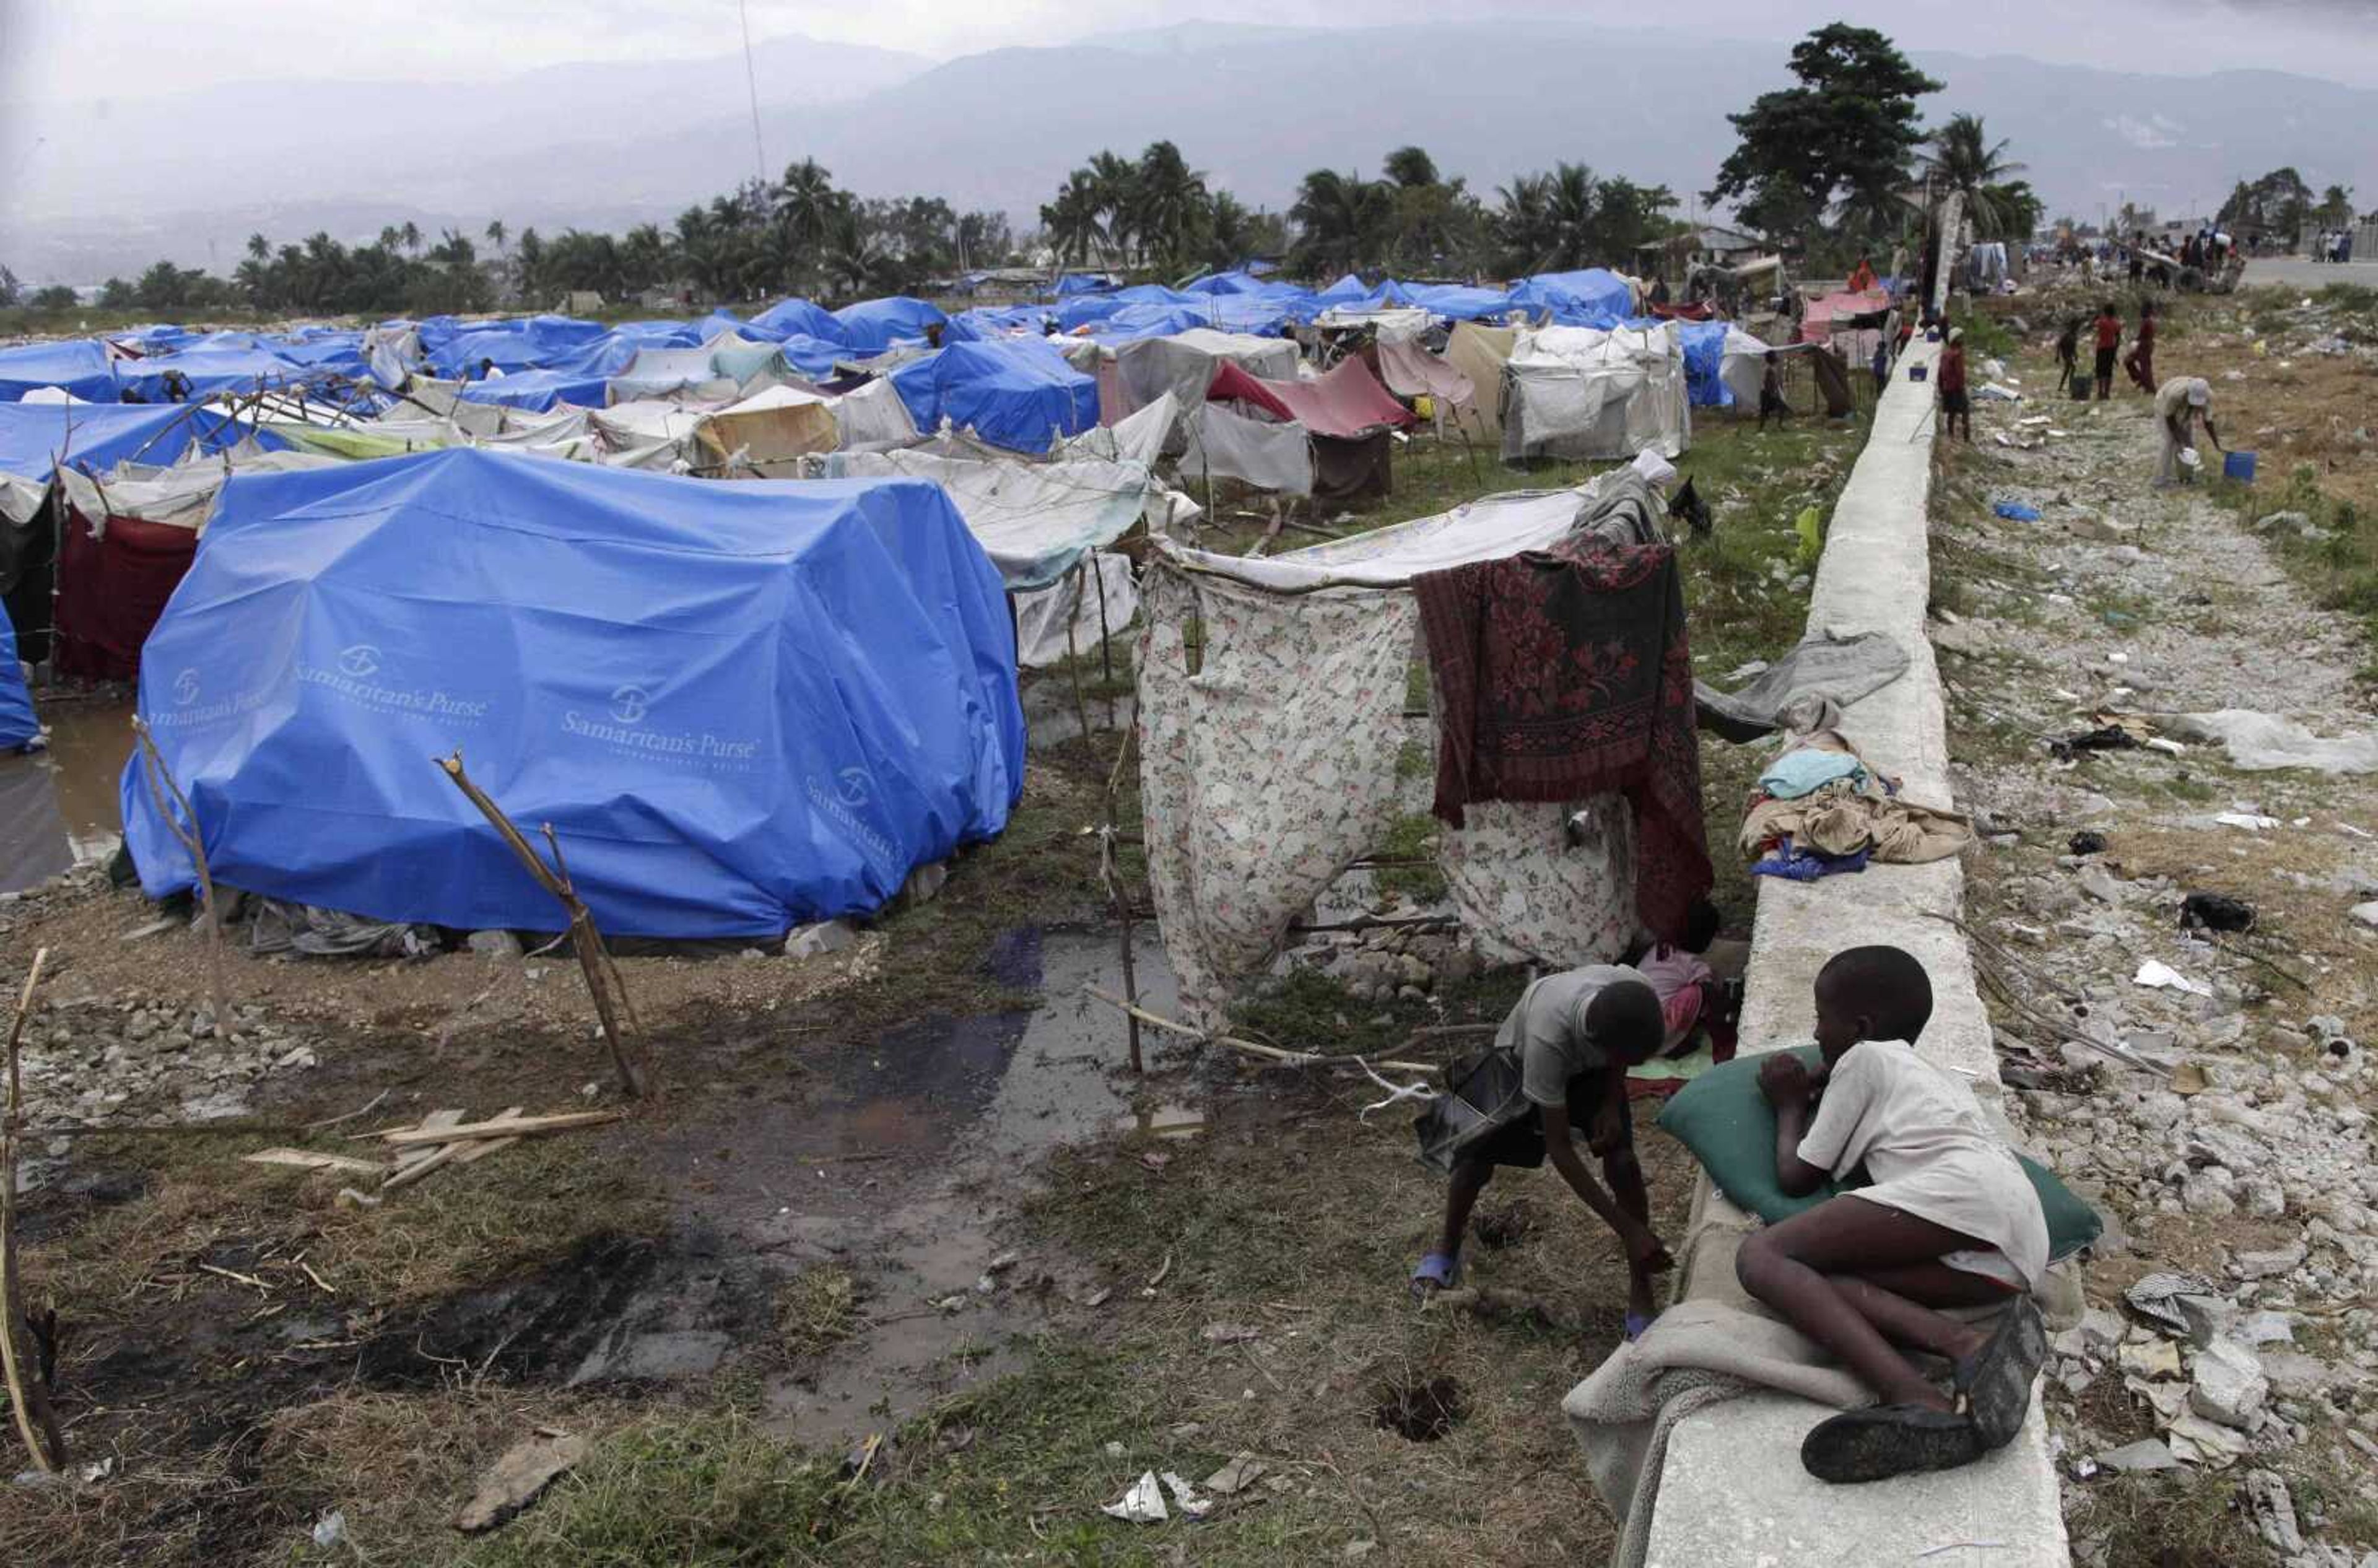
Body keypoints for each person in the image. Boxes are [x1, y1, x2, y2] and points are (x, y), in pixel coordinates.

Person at [1735, 946, 2050, 1484]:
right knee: (1813, 1279)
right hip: (2013, 1248)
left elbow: (1798, 1175)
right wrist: (1822, 1083)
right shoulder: (1931, 1075)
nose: (1815, 1035)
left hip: (1967, 1198)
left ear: (1860, 1027)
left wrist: (1787, 1103)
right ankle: (1968, 1348)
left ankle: (1912, 1394)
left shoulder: (1866, 1058)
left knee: (1763, 1256)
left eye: (1820, 1020)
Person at [1411, 965, 1672, 1336]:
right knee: (1475, 1162)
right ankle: (1446, 1250)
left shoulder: (1634, 991)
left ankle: (1641, 1292)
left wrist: (1611, 1103)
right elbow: (1560, 1150)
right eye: (1628, 1058)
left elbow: (1622, 1060)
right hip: (1518, 1064)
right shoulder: (1548, 1039)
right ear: (1601, 1047)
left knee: (1624, 1163)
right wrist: (1626, 1228)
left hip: (1595, 1062)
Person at [2154, 376, 2223, 487]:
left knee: (2189, 443)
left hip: (2183, 407)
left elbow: (2208, 422)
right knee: (2170, 442)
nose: (2197, 405)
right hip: (2164, 402)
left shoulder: (2208, 396)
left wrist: (2216, 444)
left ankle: (2186, 477)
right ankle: (2160, 479)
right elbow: (2169, 417)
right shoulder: (2176, 395)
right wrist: (2178, 437)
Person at [1936, 327, 1971, 442]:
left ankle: (1951, 436)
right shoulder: (1957, 355)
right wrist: (1961, 388)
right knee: (1965, 411)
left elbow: (1940, 373)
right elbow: (1959, 373)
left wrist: (1942, 389)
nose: (1963, 340)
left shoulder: (1945, 354)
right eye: (1961, 338)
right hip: (1957, 388)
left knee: (1951, 413)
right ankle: (1967, 438)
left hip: (1947, 389)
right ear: (1956, 340)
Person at [2123, 298, 2158, 393]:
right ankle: (2142, 381)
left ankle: (2150, 388)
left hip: (2144, 346)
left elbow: (2144, 335)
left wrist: (2135, 340)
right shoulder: (2148, 320)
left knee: (2145, 368)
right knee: (2129, 361)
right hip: (2144, 346)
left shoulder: (2148, 321)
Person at [2091, 301, 2122, 400]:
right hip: (2111, 348)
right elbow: (2118, 338)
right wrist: (2116, 351)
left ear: (2105, 312)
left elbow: (2094, 324)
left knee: (2100, 371)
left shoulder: (2101, 322)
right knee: (2108, 371)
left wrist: (2098, 316)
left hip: (2102, 348)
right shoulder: (2116, 323)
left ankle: (2100, 392)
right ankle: (2107, 393)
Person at [1758, 351, 1790, 431]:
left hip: (1766, 393)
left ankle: (1761, 429)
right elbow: (1768, 383)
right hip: (1768, 394)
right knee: (1780, 408)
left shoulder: (1769, 369)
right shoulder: (1769, 370)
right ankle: (1779, 426)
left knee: (1765, 412)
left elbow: (1770, 382)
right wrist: (1773, 393)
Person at [2054, 316, 2081, 393]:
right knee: (2073, 368)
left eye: (2077, 326)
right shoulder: (2067, 335)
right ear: (2072, 326)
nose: (2076, 327)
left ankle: (2062, 387)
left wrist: (2076, 355)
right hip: (2065, 354)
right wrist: (2057, 356)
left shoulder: (2075, 335)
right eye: (2075, 326)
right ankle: (2070, 386)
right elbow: (2059, 345)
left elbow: (2074, 347)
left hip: (2070, 354)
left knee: (2068, 370)